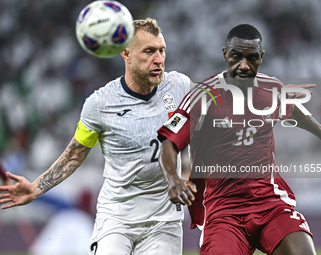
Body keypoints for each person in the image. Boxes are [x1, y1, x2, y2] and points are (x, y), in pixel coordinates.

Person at [0, 18, 191, 255]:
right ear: (126, 54)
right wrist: (35, 189)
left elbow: (200, 131)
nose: (159, 59)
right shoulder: (100, 103)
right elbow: (74, 156)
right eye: (149, 51)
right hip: (117, 218)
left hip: (164, 220)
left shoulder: (180, 86)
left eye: (162, 51)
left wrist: (186, 175)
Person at [157, 24, 321, 255]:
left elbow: (293, 109)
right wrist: (173, 179)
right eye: (236, 57)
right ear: (225, 54)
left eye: (251, 58)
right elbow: (169, 143)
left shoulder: (270, 88)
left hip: (271, 203)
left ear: (261, 57)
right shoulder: (203, 96)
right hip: (224, 211)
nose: (243, 65)